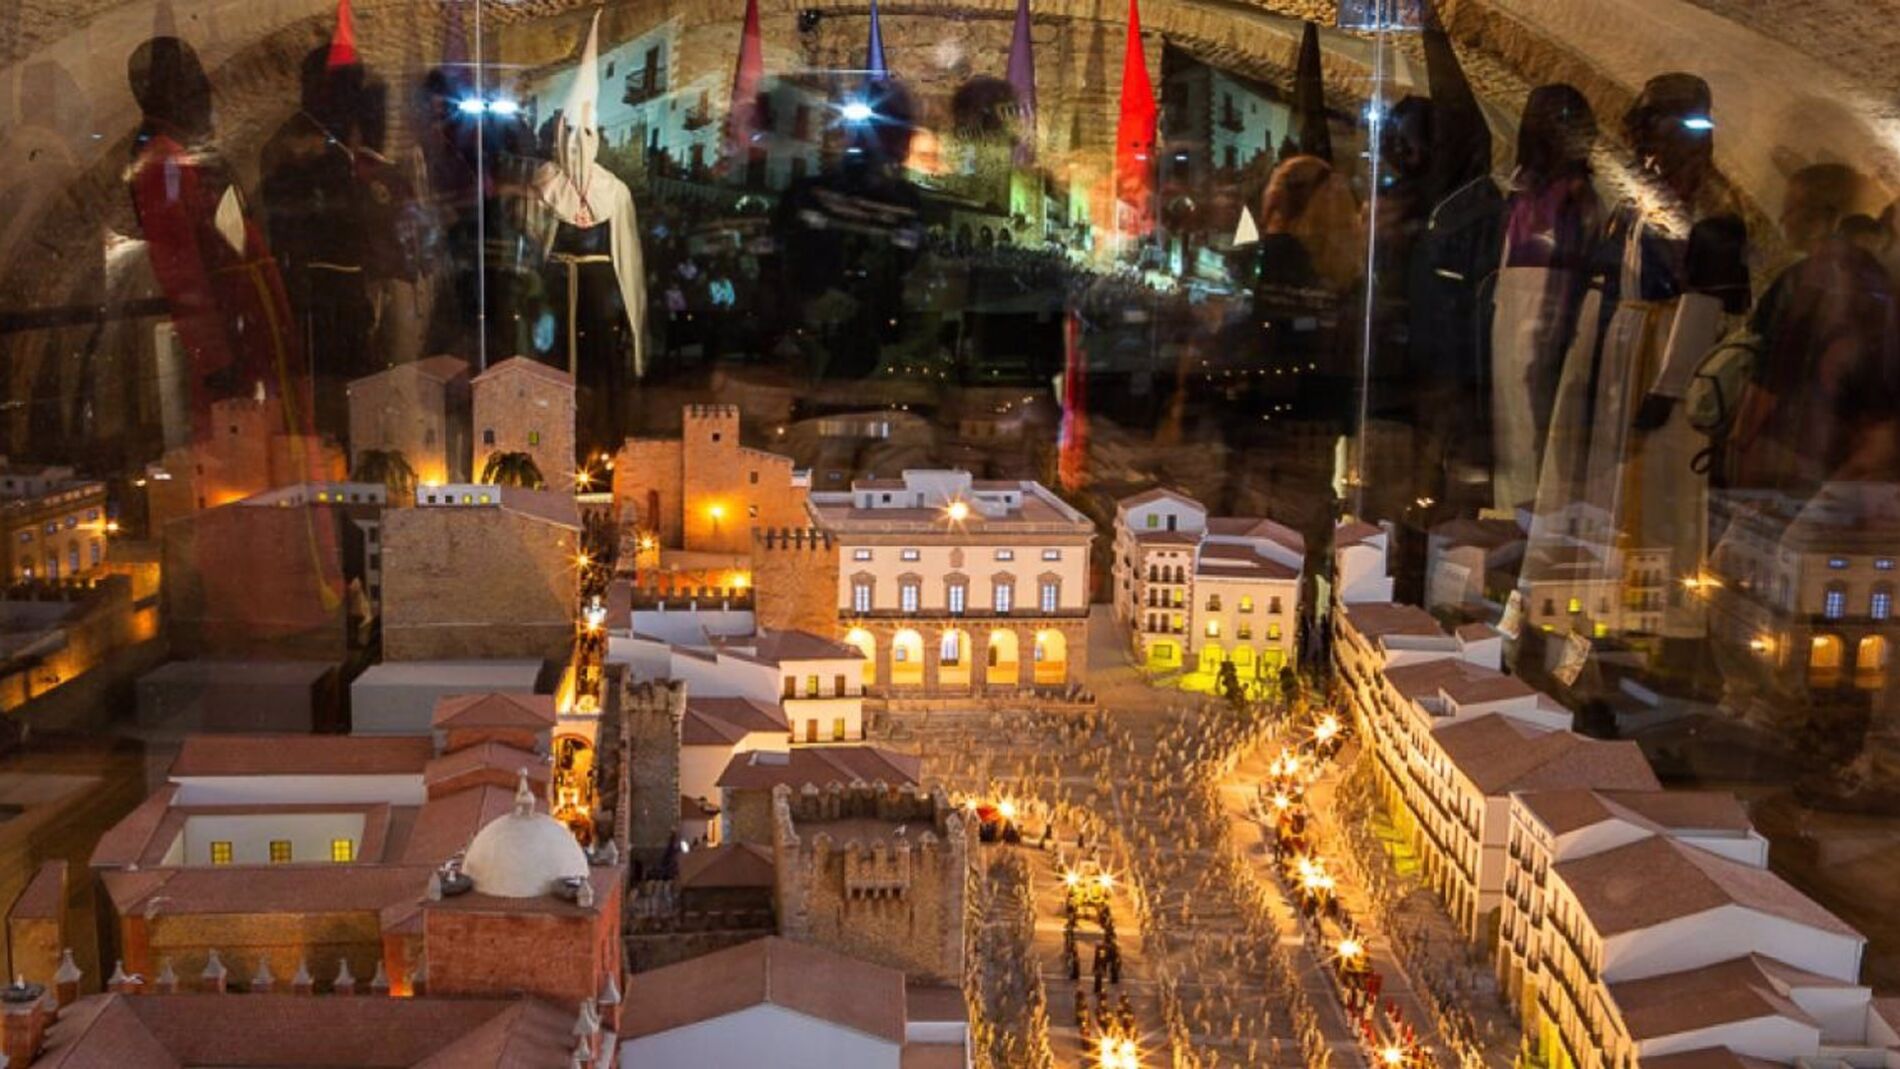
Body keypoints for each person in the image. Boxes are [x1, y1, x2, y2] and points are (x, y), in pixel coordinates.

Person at [1524, 73, 1749, 645]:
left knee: (1659, 485)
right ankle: (1602, 600)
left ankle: (1655, 616)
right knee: (1613, 479)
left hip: (1661, 347)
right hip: (1624, 347)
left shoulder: (1712, 207)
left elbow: (1703, 300)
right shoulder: (1643, 197)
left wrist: (1669, 385)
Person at [1730, 165, 1898, 501]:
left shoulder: (1798, 283)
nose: (1783, 219)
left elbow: (1768, 380)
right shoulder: (1880, 281)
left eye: (1791, 209)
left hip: (1792, 451)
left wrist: (1739, 443)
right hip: (1849, 458)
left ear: (1821, 216)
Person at [1488, 83, 1600, 513]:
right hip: (1513, 303)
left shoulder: (1576, 196)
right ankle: (1512, 512)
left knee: (1541, 416)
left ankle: (1539, 517)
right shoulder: (1522, 189)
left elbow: (1577, 265)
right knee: (1511, 415)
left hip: (1550, 302)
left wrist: (1562, 324)